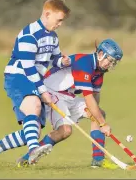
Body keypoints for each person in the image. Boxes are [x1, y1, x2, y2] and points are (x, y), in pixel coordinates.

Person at [0, 0, 71, 168]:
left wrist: (62, 62)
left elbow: (54, 59)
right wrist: (44, 92)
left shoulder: (53, 37)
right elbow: (29, 68)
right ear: (47, 14)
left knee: (32, 131)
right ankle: (34, 149)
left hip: (35, 79)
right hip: (19, 76)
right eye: (59, 20)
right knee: (34, 106)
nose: (60, 24)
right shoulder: (29, 34)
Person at [17, 38, 123, 169]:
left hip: (69, 96)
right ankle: (27, 158)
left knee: (99, 113)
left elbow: (95, 97)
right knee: (65, 131)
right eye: (110, 60)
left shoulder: (99, 72)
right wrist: (103, 124)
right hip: (52, 93)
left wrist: (96, 117)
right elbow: (88, 98)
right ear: (101, 54)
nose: (111, 65)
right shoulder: (85, 63)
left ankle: (98, 160)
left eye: (114, 63)